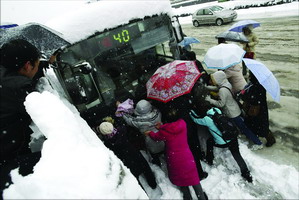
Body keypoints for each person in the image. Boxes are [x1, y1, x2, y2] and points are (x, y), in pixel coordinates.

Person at [0, 39, 42, 196]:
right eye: (37, 65)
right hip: (5, 160)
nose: (38, 69)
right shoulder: (19, 89)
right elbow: (44, 113)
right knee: (54, 162)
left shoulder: (5, 76)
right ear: (27, 66)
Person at [144, 110, 207, 200]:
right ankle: (201, 197)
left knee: (181, 178)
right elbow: (173, 128)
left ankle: (187, 196)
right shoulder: (183, 124)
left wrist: (151, 132)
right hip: (186, 156)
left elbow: (156, 137)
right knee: (193, 178)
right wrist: (162, 127)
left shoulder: (164, 132)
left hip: (174, 159)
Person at [190, 107, 253, 183]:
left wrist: (190, 112)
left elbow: (196, 120)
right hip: (233, 138)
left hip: (223, 142)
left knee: (209, 141)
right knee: (237, 155)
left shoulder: (207, 119)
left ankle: (209, 159)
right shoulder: (217, 110)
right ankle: (246, 174)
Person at [205, 71, 263, 148]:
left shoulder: (223, 90)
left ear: (218, 80)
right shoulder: (226, 84)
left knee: (243, 128)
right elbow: (217, 88)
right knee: (242, 127)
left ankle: (258, 143)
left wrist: (210, 100)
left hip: (232, 113)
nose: (213, 81)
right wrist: (207, 87)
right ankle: (252, 138)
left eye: (214, 79)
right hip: (235, 109)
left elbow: (221, 104)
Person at [96, 118, 157, 190]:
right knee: (145, 166)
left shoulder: (108, 143)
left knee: (134, 176)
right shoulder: (121, 131)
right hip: (133, 151)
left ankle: (142, 192)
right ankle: (153, 183)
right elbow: (122, 124)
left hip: (126, 158)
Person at [120, 99, 165, 166]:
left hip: (150, 143)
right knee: (164, 151)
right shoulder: (157, 114)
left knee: (154, 155)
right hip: (162, 139)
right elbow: (154, 108)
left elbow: (129, 120)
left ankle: (157, 164)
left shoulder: (139, 122)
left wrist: (122, 111)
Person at [240, 71, 276, 147]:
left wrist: (244, 95)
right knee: (258, 125)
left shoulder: (256, 86)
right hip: (259, 108)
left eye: (250, 75)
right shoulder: (254, 84)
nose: (248, 76)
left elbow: (252, 97)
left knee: (261, 126)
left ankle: (270, 139)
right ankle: (262, 136)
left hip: (256, 109)